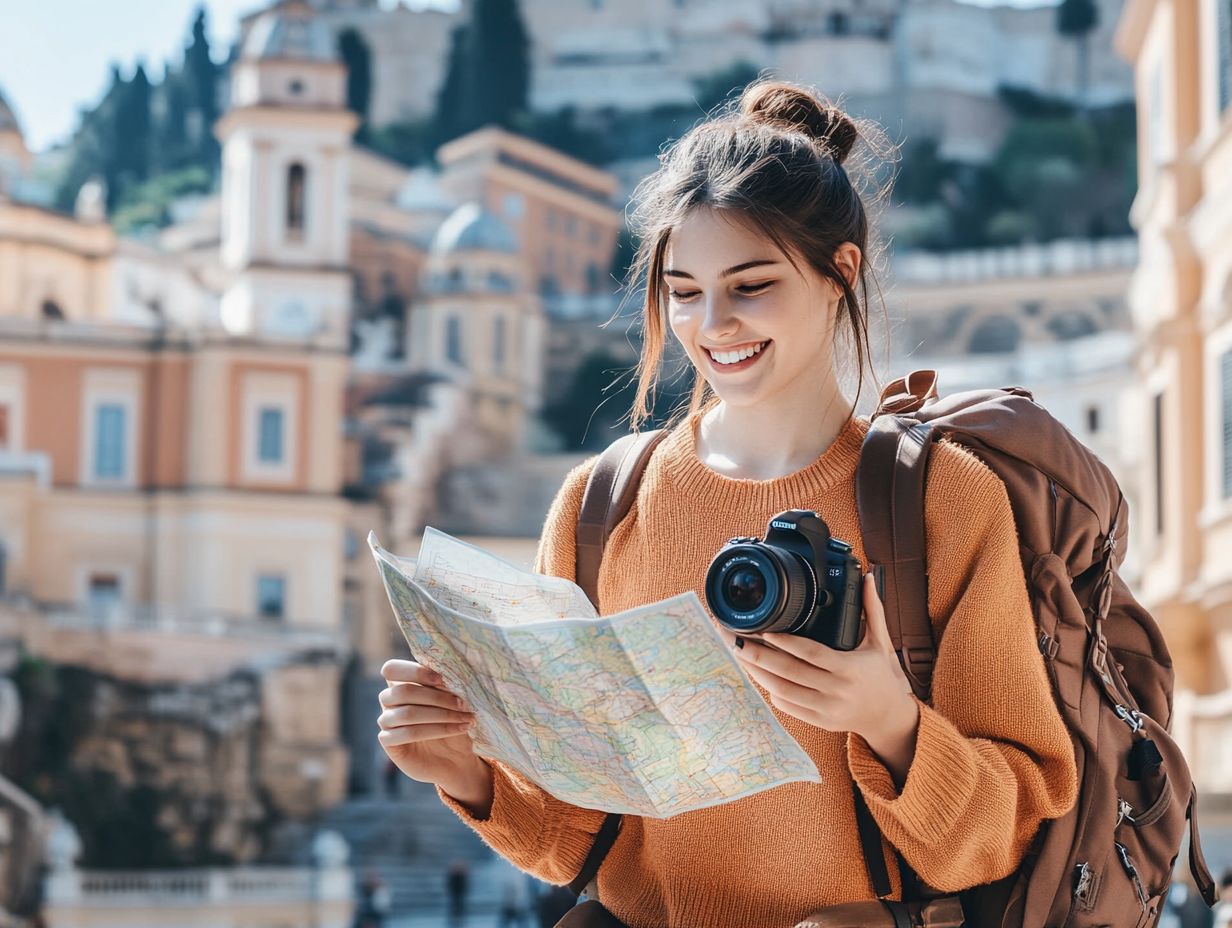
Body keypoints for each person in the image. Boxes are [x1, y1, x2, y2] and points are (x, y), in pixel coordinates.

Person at [376, 79, 1079, 928]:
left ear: (838, 273)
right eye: (683, 290)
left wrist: (889, 721)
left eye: (750, 285)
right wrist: (464, 768)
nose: (714, 326)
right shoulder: (601, 507)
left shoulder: (941, 500)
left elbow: (1002, 835)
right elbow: (579, 843)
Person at [446, 858, 469, 928]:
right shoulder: (454, 876)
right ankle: (454, 919)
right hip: (455, 893)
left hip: (459, 893)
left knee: (459, 906)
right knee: (455, 906)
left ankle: (458, 919)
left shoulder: (461, 876)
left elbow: (464, 885)